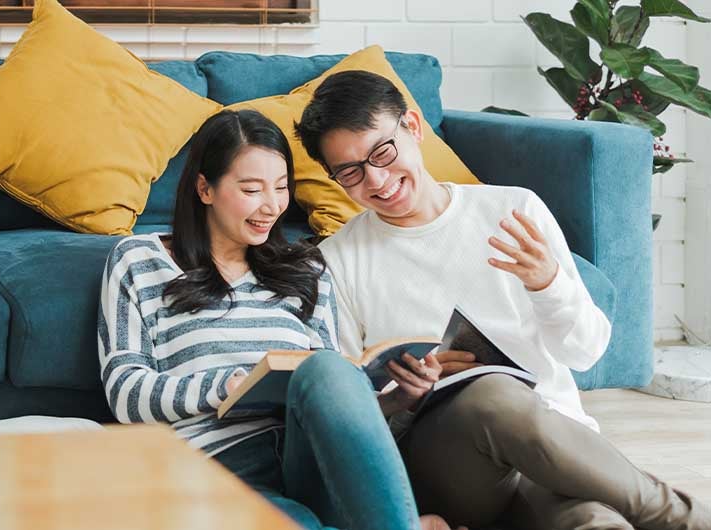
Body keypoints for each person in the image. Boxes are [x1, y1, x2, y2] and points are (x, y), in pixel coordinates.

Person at [294, 70, 711, 530]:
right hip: (449, 469)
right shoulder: (336, 260)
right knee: (491, 394)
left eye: (382, 152)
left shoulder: (514, 211)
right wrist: (402, 399)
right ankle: (681, 518)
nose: (377, 180)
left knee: (595, 521)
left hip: (554, 452)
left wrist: (548, 283)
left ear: (412, 127)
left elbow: (586, 353)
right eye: (350, 172)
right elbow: (350, 417)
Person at [98, 109, 460, 530]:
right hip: (221, 469)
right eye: (251, 189)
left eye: (281, 187)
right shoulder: (139, 261)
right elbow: (125, 393)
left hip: (312, 460)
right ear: (205, 188)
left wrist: (396, 400)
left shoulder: (308, 269)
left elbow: (332, 396)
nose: (271, 206)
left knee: (326, 366)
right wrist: (228, 385)